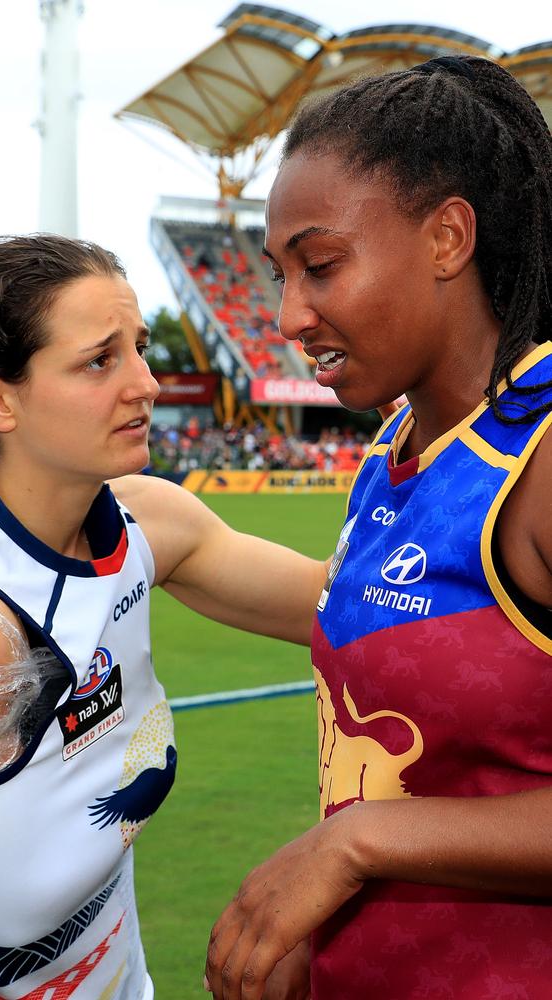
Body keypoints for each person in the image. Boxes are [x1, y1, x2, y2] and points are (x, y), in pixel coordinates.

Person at [205, 55, 552, 1000]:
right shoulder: (396, 446)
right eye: (281, 275)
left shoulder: (541, 456)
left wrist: (353, 845)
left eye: (320, 266)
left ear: (448, 238)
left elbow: (378, 827)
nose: (286, 316)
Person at [0, 234, 330, 1000]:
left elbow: (360, 616)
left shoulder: (148, 524)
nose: (147, 383)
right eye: (100, 361)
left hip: (120, 970)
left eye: (138, 347)